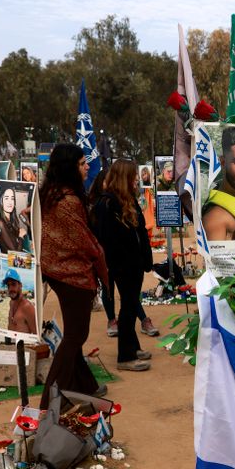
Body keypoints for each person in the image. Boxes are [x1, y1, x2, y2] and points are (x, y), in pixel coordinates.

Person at [38, 143, 110, 407]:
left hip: (58, 273)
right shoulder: (67, 201)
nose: (87, 166)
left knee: (74, 334)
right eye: (82, 163)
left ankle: (85, 385)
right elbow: (85, 242)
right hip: (73, 277)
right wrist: (101, 261)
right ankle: (48, 403)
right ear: (70, 168)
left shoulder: (51, 195)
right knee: (74, 337)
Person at [93, 159, 154, 371]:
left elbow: (140, 231)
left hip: (135, 264)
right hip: (122, 266)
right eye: (132, 175)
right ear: (123, 177)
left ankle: (133, 347)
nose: (137, 179)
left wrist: (146, 259)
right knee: (128, 309)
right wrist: (120, 264)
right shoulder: (108, 203)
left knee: (130, 305)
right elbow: (107, 240)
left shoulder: (128, 199)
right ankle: (125, 357)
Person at [0, 187, 31, 253]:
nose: (10, 202)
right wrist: (21, 236)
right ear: (1, 201)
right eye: (6, 198)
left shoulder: (12, 218)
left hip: (19, 254)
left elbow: (16, 241)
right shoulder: (0, 222)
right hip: (11, 260)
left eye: (12, 198)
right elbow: (15, 252)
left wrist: (29, 245)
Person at [3, 268, 37, 334]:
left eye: (13, 284)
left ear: (20, 285)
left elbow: (36, 334)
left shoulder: (27, 307)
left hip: (24, 343)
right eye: (8, 285)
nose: (10, 289)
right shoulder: (11, 303)